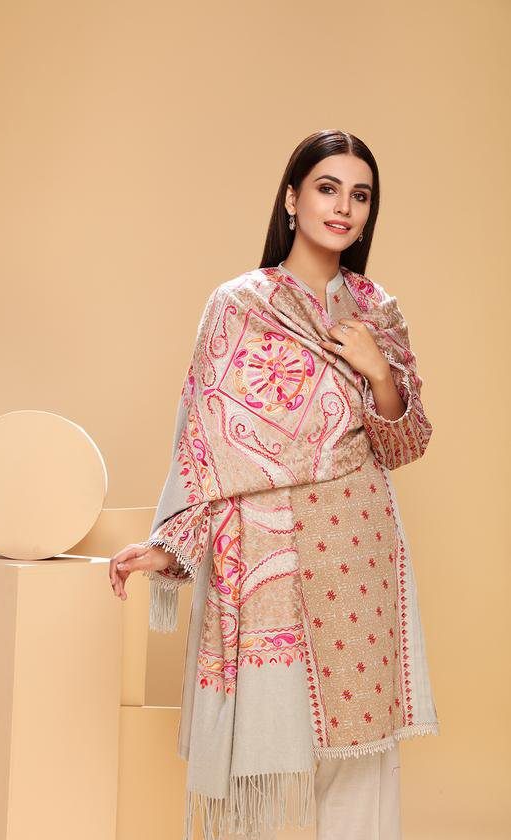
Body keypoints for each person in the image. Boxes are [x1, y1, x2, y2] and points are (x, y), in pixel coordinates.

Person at [109, 129, 440, 840]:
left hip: (358, 551)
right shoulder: (239, 304)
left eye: (360, 195)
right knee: (258, 771)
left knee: (360, 759)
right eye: (327, 188)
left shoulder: (377, 310)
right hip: (265, 558)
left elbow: (405, 443)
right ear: (292, 199)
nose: (343, 207)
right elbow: (203, 438)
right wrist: (171, 546)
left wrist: (378, 369)